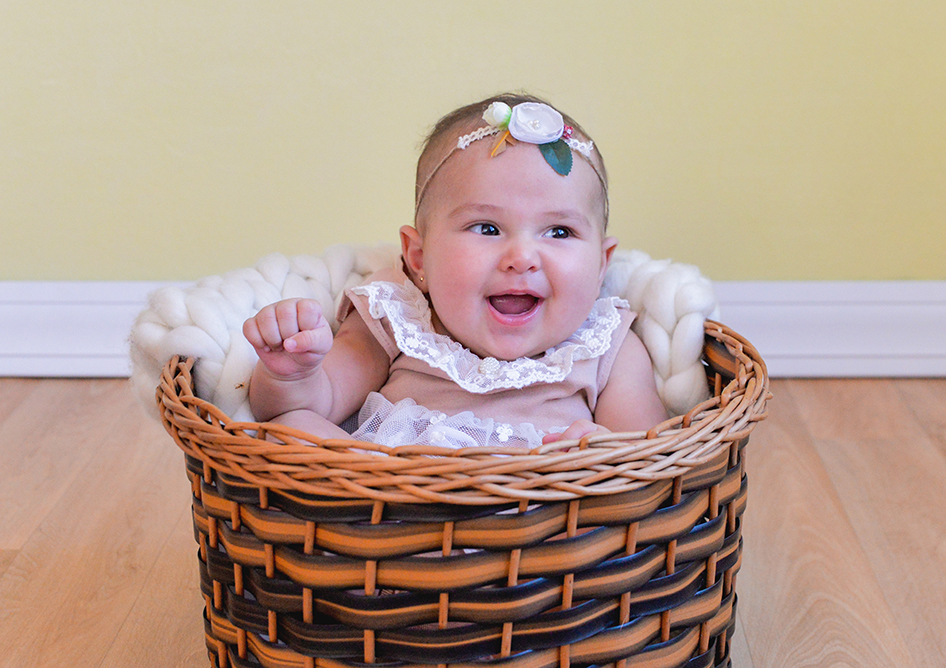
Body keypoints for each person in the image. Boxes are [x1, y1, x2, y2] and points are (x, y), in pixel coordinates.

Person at [242, 93, 667, 448]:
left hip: (542, 518)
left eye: (559, 231)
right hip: (391, 503)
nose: (522, 257)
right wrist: (292, 374)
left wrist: (594, 454)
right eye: (487, 228)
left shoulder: (605, 343)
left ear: (601, 265)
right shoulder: (397, 318)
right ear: (419, 258)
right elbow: (312, 404)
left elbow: (650, 453)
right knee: (289, 431)